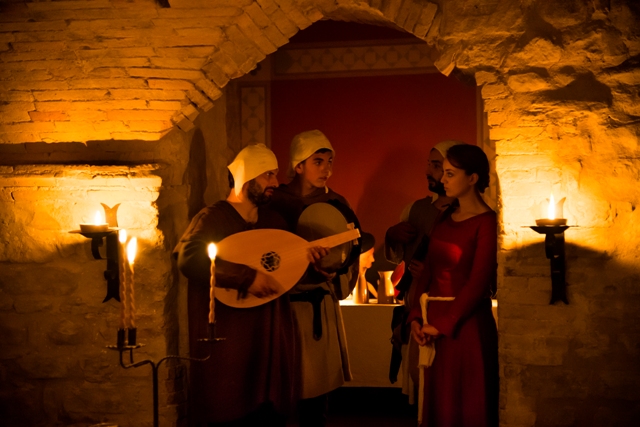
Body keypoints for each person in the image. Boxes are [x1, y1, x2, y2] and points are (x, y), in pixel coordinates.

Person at [174, 143, 297, 427]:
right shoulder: (213, 218)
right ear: (246, 178)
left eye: (275, 174)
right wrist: (247, 277)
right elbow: (188, 257)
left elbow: (289, 267)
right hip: (231, 342)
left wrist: (313, 263)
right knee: (229, 409)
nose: (275, 182)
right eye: (267, 175)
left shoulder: (273, 221)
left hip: (268, 337)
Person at [270, 130, 359, 427]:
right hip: (282, 306)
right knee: (281, 390)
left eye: (329, 162)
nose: (326, 169)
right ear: (298, 165)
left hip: (319, 304)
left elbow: (351, 252)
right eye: (318, 161)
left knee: (316, 398)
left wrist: (336, 271)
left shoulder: (336, 203)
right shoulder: (275, 202)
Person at [408, 143, 498, 427]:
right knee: (438, 403)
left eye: (450, 173)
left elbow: (478, 282)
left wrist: (444, 324)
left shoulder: (487, 223)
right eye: (443, 173)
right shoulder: (444, 216)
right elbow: (428, 271)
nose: (442, 179)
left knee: (464, 403)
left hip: (466, 327)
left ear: (472, 178)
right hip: (431, 321)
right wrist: (415, 317)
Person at [384, 140, 463, 398]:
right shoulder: (415, 210)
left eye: (437, 166)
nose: (428, 171)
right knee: (419, 387)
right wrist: (392, 236)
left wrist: (431, 273)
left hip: (449, 314)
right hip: (416, 314)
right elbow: (398, 258)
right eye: (429, 164)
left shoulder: (468, 213)